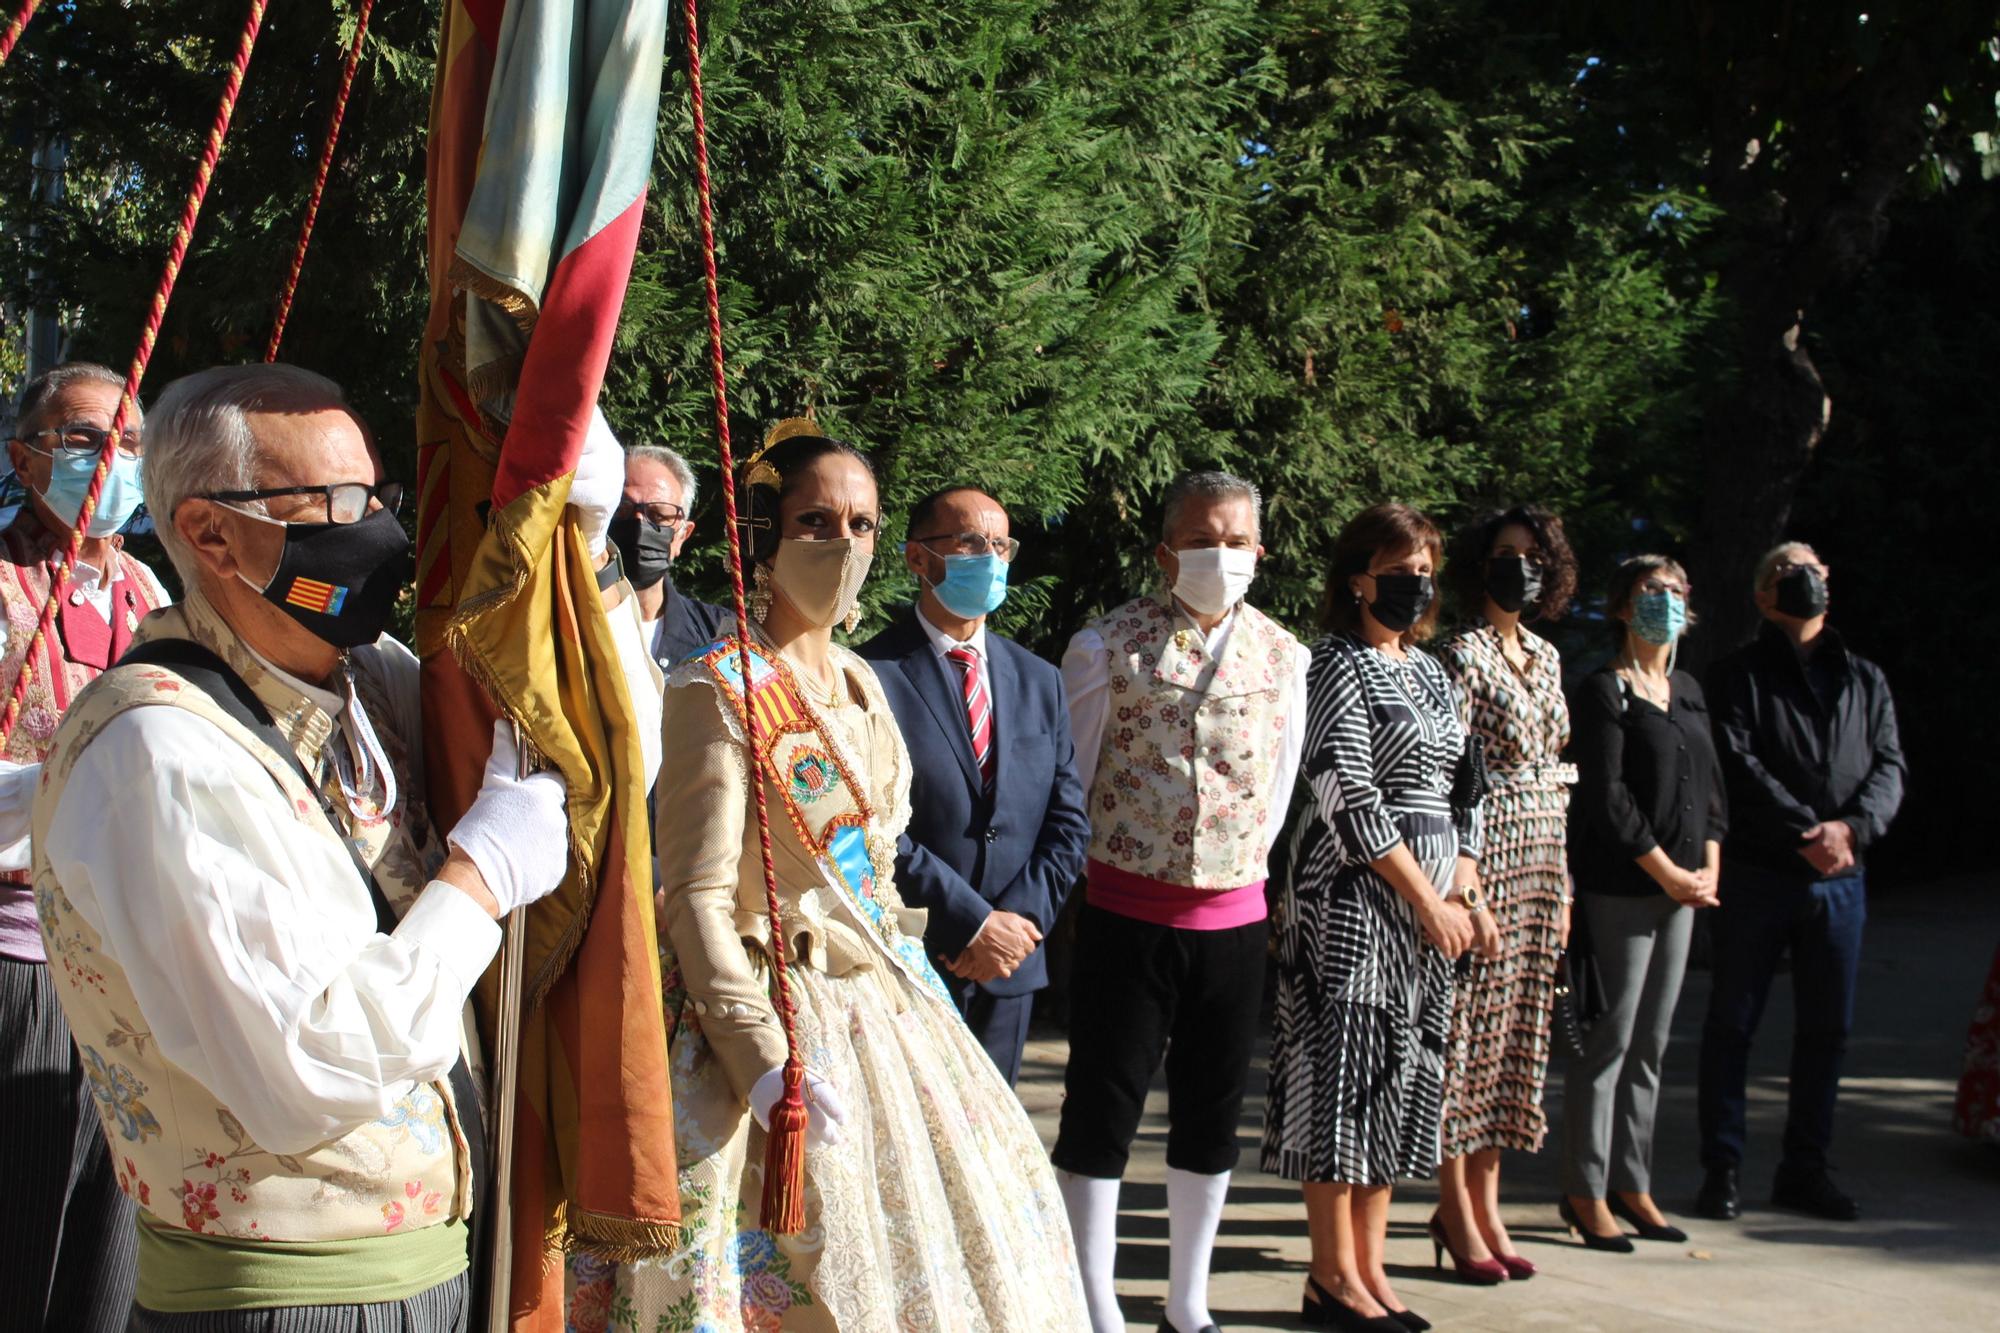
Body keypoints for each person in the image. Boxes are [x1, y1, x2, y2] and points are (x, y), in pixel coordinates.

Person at [27, 364, 611, 1330]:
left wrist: (575, 543)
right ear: (212, 533)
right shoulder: (156, 752)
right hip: (284, 1298)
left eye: (376, 496)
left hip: (438, 1267)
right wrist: (479, 876)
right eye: (333, 503)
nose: (374, 529)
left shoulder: (368, 681)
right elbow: (308, 1069)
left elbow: (574, 732)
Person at [582, 423, 1085, 1330]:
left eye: (860, 524)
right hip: (768, 1022)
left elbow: (880, 873)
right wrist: (766, 1066)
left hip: (883, 1012)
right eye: (816, 522)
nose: (842, 545)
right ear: (764, 538)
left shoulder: (860, 681)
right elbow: (692, 895)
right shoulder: (716, 687)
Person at [1054, 470, 1308, 1333]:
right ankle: (1095, 1301)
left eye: (1238, 541)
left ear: (1261, 553)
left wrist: (1241, 869)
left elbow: (1277, 789)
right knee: (1103, 1105)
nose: (1220, 555)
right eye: (1203, 539)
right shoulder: (1106, 647)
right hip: (1128, 915)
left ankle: (1187, 1300)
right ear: (1166, 551)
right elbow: (1075, 777)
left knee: (1210, 1112)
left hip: (1234, 924)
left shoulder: (1285, 656)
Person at [1263, 502, 1492, 1333]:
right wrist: (1424, 897)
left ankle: (1374, 1270)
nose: (1416, 584)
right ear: (1359, 577)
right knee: (1343, 1085)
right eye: (1400, 570)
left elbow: (1468, 788)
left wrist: (1461, 886)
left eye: (1426, 570)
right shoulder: (1334, 664)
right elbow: (1345, 792)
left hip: (1430, 915)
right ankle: (1330, 1276)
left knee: (1400, 1085)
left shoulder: (1434, 671)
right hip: (1354, 903)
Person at [2, 362, 168, 1331]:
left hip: (137, 958)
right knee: (22, 1213)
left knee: (118, 1225)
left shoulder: (156, 592)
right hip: (21, 954)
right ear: (25, 458)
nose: (109, 459)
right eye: (78, 438)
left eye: (131, 442)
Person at [1696, 541, 1905, 1222]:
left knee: (1827, 1031)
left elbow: (1889, 767)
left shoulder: (1866, 678)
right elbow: (1738, 761)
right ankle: (1721, 1168)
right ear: (1762, 596)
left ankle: (1805, 1168)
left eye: (1815, 571)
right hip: (1761, 873)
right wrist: (1804, 831)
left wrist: (1851, 831)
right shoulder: (1737, 675)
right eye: (1789, 575)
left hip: (1841, 880)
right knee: (1732, 1024)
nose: (1806, 582)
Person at [858, 484, 1090, 1085]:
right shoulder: (868, 677)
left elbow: (1067, 825)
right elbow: (872, 823)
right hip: (913, 955)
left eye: (1000, 544)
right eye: (968, 541)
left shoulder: (1039, 679)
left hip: (1009, 970)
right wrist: (969, 924)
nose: (988, 556)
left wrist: (1010, 928)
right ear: (917, 558)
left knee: (1000, 1159)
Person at [1431, 504, 1579, 1282]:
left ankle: (1489, 1203)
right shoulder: (1460, 654)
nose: (1516, 566)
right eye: (1502, 553)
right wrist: (1467, 881)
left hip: (1545, 863)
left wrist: (1566, 887)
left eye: (1530, 555)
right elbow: (1454, 778)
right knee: (1466, 1045)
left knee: (1516, 1045)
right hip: (1487, 860)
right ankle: (1455, 1209)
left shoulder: (1549, 657)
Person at [1560, 554, 1724, 1252]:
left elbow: (1710, 789)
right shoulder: (1605, 690)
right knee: (1611, 1040)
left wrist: (1706, 868)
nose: (1665, 601)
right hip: (1625, 887)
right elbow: (1608, 798)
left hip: (1686, 889)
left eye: (1675, 591)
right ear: (1623, 607)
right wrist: (1663, 870)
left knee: (1652, 1046)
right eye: (1650, 591)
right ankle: (1585, 1190)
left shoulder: (1686, 688)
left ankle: (1634, 1183)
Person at [609, 439, 726, 668]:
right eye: (622, 509)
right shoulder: (564, 628)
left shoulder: (719, 636)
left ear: (682, 536)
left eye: (659, 515)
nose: (638, 523)